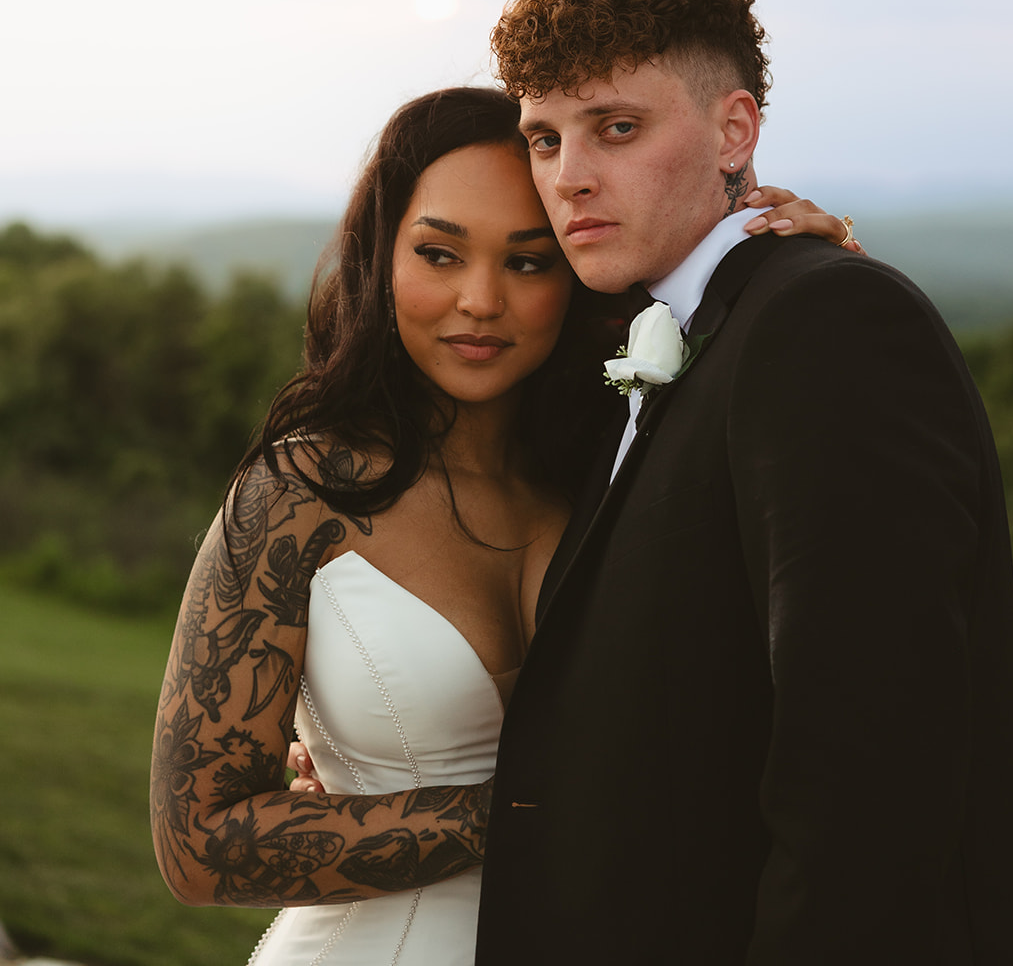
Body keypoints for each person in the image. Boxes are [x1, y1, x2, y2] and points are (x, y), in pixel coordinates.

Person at [150, 83, 851, 964]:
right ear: (380, 260)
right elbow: (198, 846)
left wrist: (808, 279)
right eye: (439, 254)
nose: (480, 300)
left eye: (527, 262)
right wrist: (530, 811)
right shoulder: (299, 495)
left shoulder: (622, 474)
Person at [475, 0, 1013, 966]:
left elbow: (870, 772)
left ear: (733, 130)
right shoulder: (666, 335)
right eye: (543, 138)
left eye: (617, 127)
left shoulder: (826, 322)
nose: (567, 177)